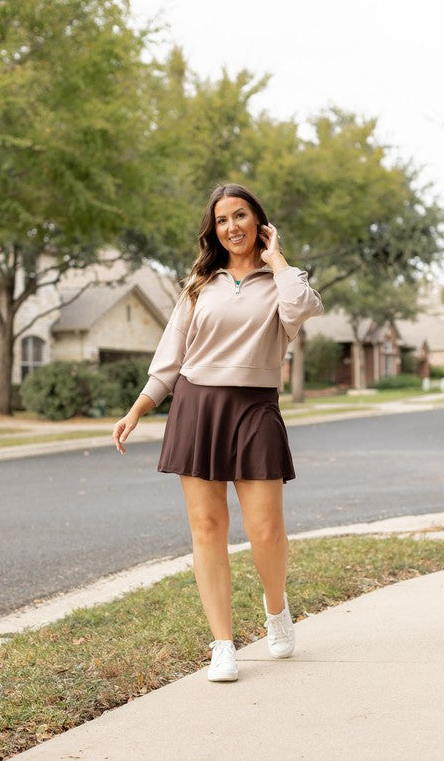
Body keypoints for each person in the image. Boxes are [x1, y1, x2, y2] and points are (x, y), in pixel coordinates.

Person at [112, 183, 323, 682]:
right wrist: (138, 409)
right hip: (197, 406)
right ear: (214, 229)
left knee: (265, 530)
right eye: (223, 219)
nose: (232, 226)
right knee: (207, 528)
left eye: (241, 215)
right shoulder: (198, 285)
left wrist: (278, 259)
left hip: (255, 407)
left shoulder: (284, 282)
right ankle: (222, 644)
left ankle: (276, 609)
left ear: (259, 222)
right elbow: (170, 359)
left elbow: (303, 309)